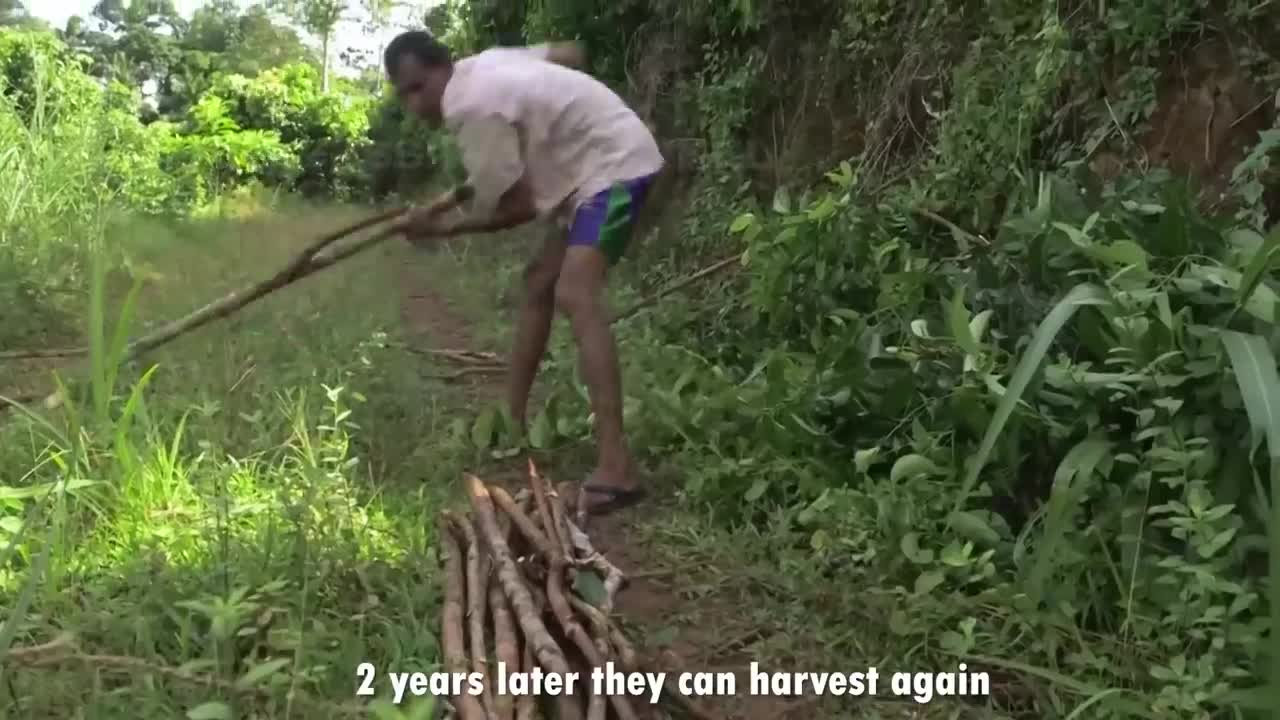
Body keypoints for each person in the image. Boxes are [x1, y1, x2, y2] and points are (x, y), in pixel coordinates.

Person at [383, 30, 663, 516]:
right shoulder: (485, 65)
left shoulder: (469, 108)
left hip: (616, 166)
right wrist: (557, 118)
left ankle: (618, 467)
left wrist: (442, 229)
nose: (414, 103)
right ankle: (510, 420)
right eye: (403, 93)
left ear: (441, 69)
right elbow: (570, 53)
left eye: (417, 87)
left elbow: (517, 207)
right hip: (589, 170)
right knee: (539, 280)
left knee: (576, 292)